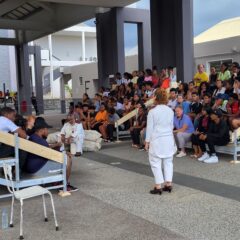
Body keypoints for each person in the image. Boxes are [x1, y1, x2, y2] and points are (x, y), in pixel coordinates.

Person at [25, 117, 78, 192]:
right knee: (68, 159)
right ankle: (64, 185)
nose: (47, 131)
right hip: (36, 170)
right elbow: (52, 154)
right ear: (42, 130)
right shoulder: (41, 141)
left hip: (31, 166)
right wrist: (64, 152)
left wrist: (57, 147)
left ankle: (58, 181)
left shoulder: (33, 137)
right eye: (47, 129)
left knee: (63, 156)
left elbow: (47, 149)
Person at [145, 88, 176, 195]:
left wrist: (147, 141)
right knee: (168, 162)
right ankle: (168, 184)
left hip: (157, 139)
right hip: (168, 139)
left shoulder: (152, 111)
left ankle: (158, 186)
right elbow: (172, 126)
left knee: (155, 162)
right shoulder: (170, 110)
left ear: (155, 98)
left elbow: (149, 128)